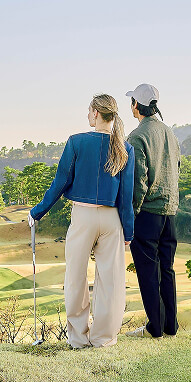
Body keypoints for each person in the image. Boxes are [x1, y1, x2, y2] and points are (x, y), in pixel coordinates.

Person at [28, 94, 135, 348]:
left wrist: (37, 212)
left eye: (89, 111)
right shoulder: (125, 148)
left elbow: (60, 183)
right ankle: (103, 338)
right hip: (112, 220)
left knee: (75, 277)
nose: (88, 115)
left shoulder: (76, 142)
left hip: (83, 217)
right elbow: (126, 197)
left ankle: (78, 339)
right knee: (110, 282)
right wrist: (128, 232)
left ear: (96, 113)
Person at [124, 83, 181, 339]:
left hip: (148, 213)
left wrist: (132, 215)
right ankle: (171, 326)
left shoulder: (138, 136)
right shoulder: (170, 133)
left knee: (148, 272)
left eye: (132, 102)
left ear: (137, 105)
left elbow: (139, 181)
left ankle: (155, 328)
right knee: (166, 269)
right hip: (170, 212)